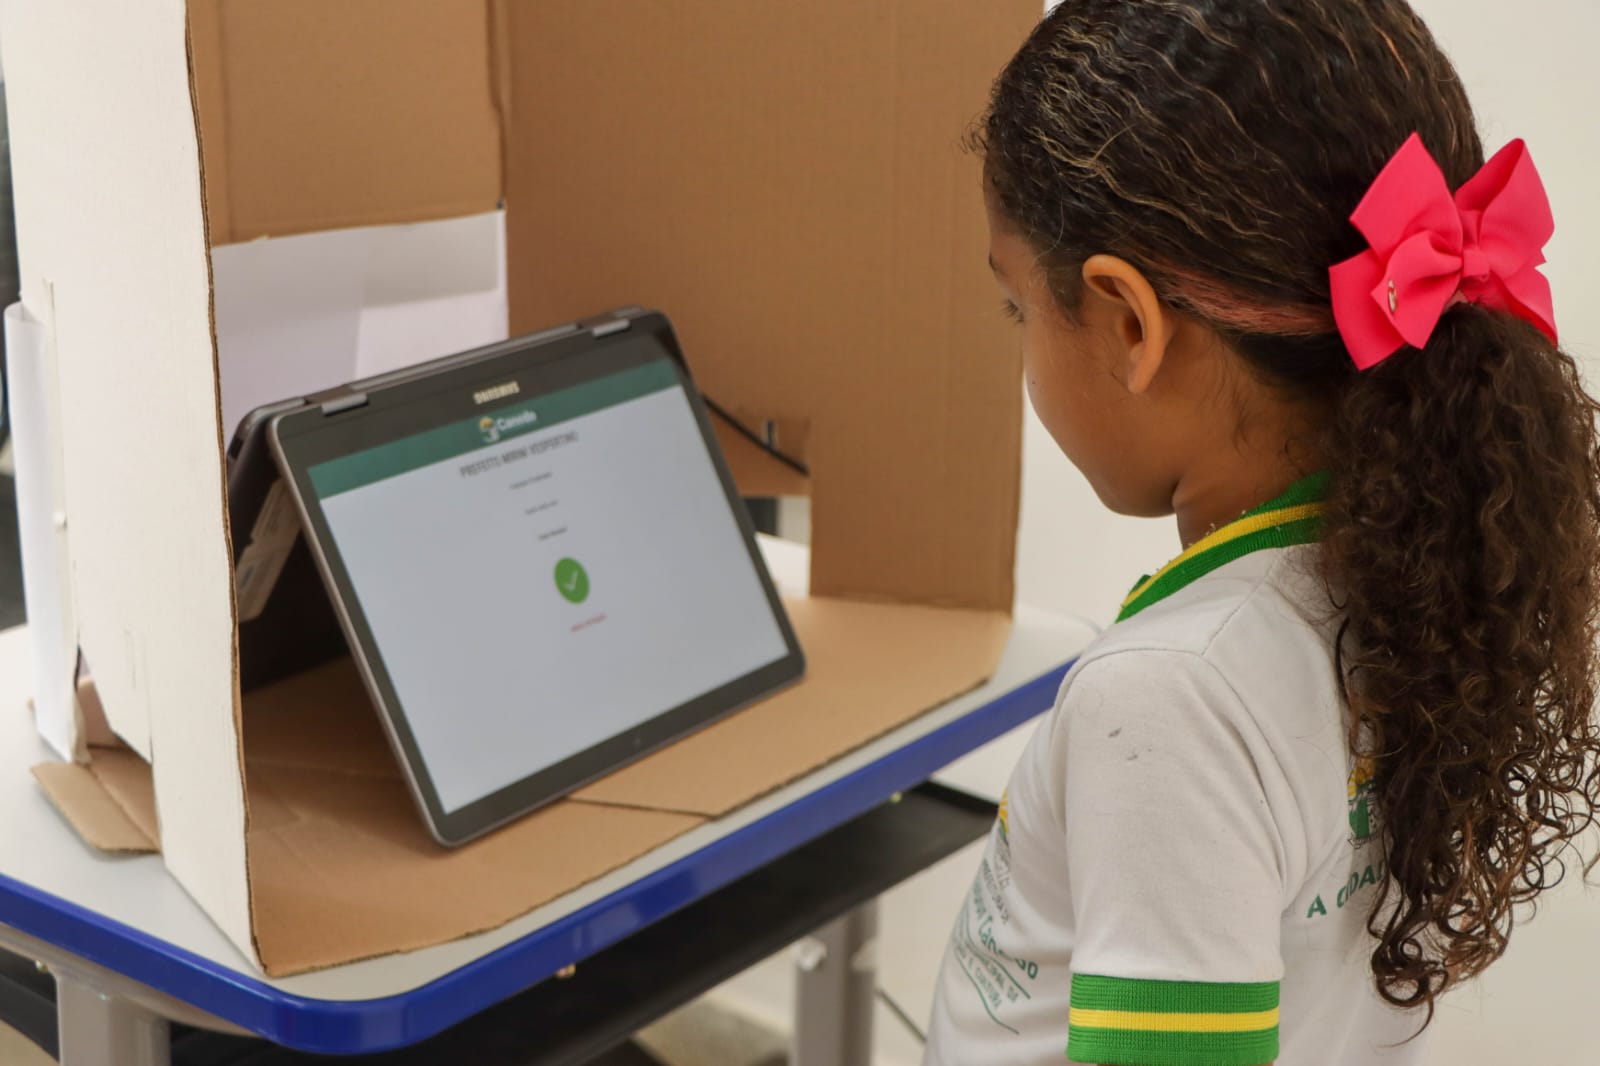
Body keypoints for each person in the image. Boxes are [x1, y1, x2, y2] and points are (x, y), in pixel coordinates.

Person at [926, 2, 1600, 1064]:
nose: (1021, 343)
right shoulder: (1420, 557)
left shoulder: (1169, 694)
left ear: (1128, 322)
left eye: (1020, 309)